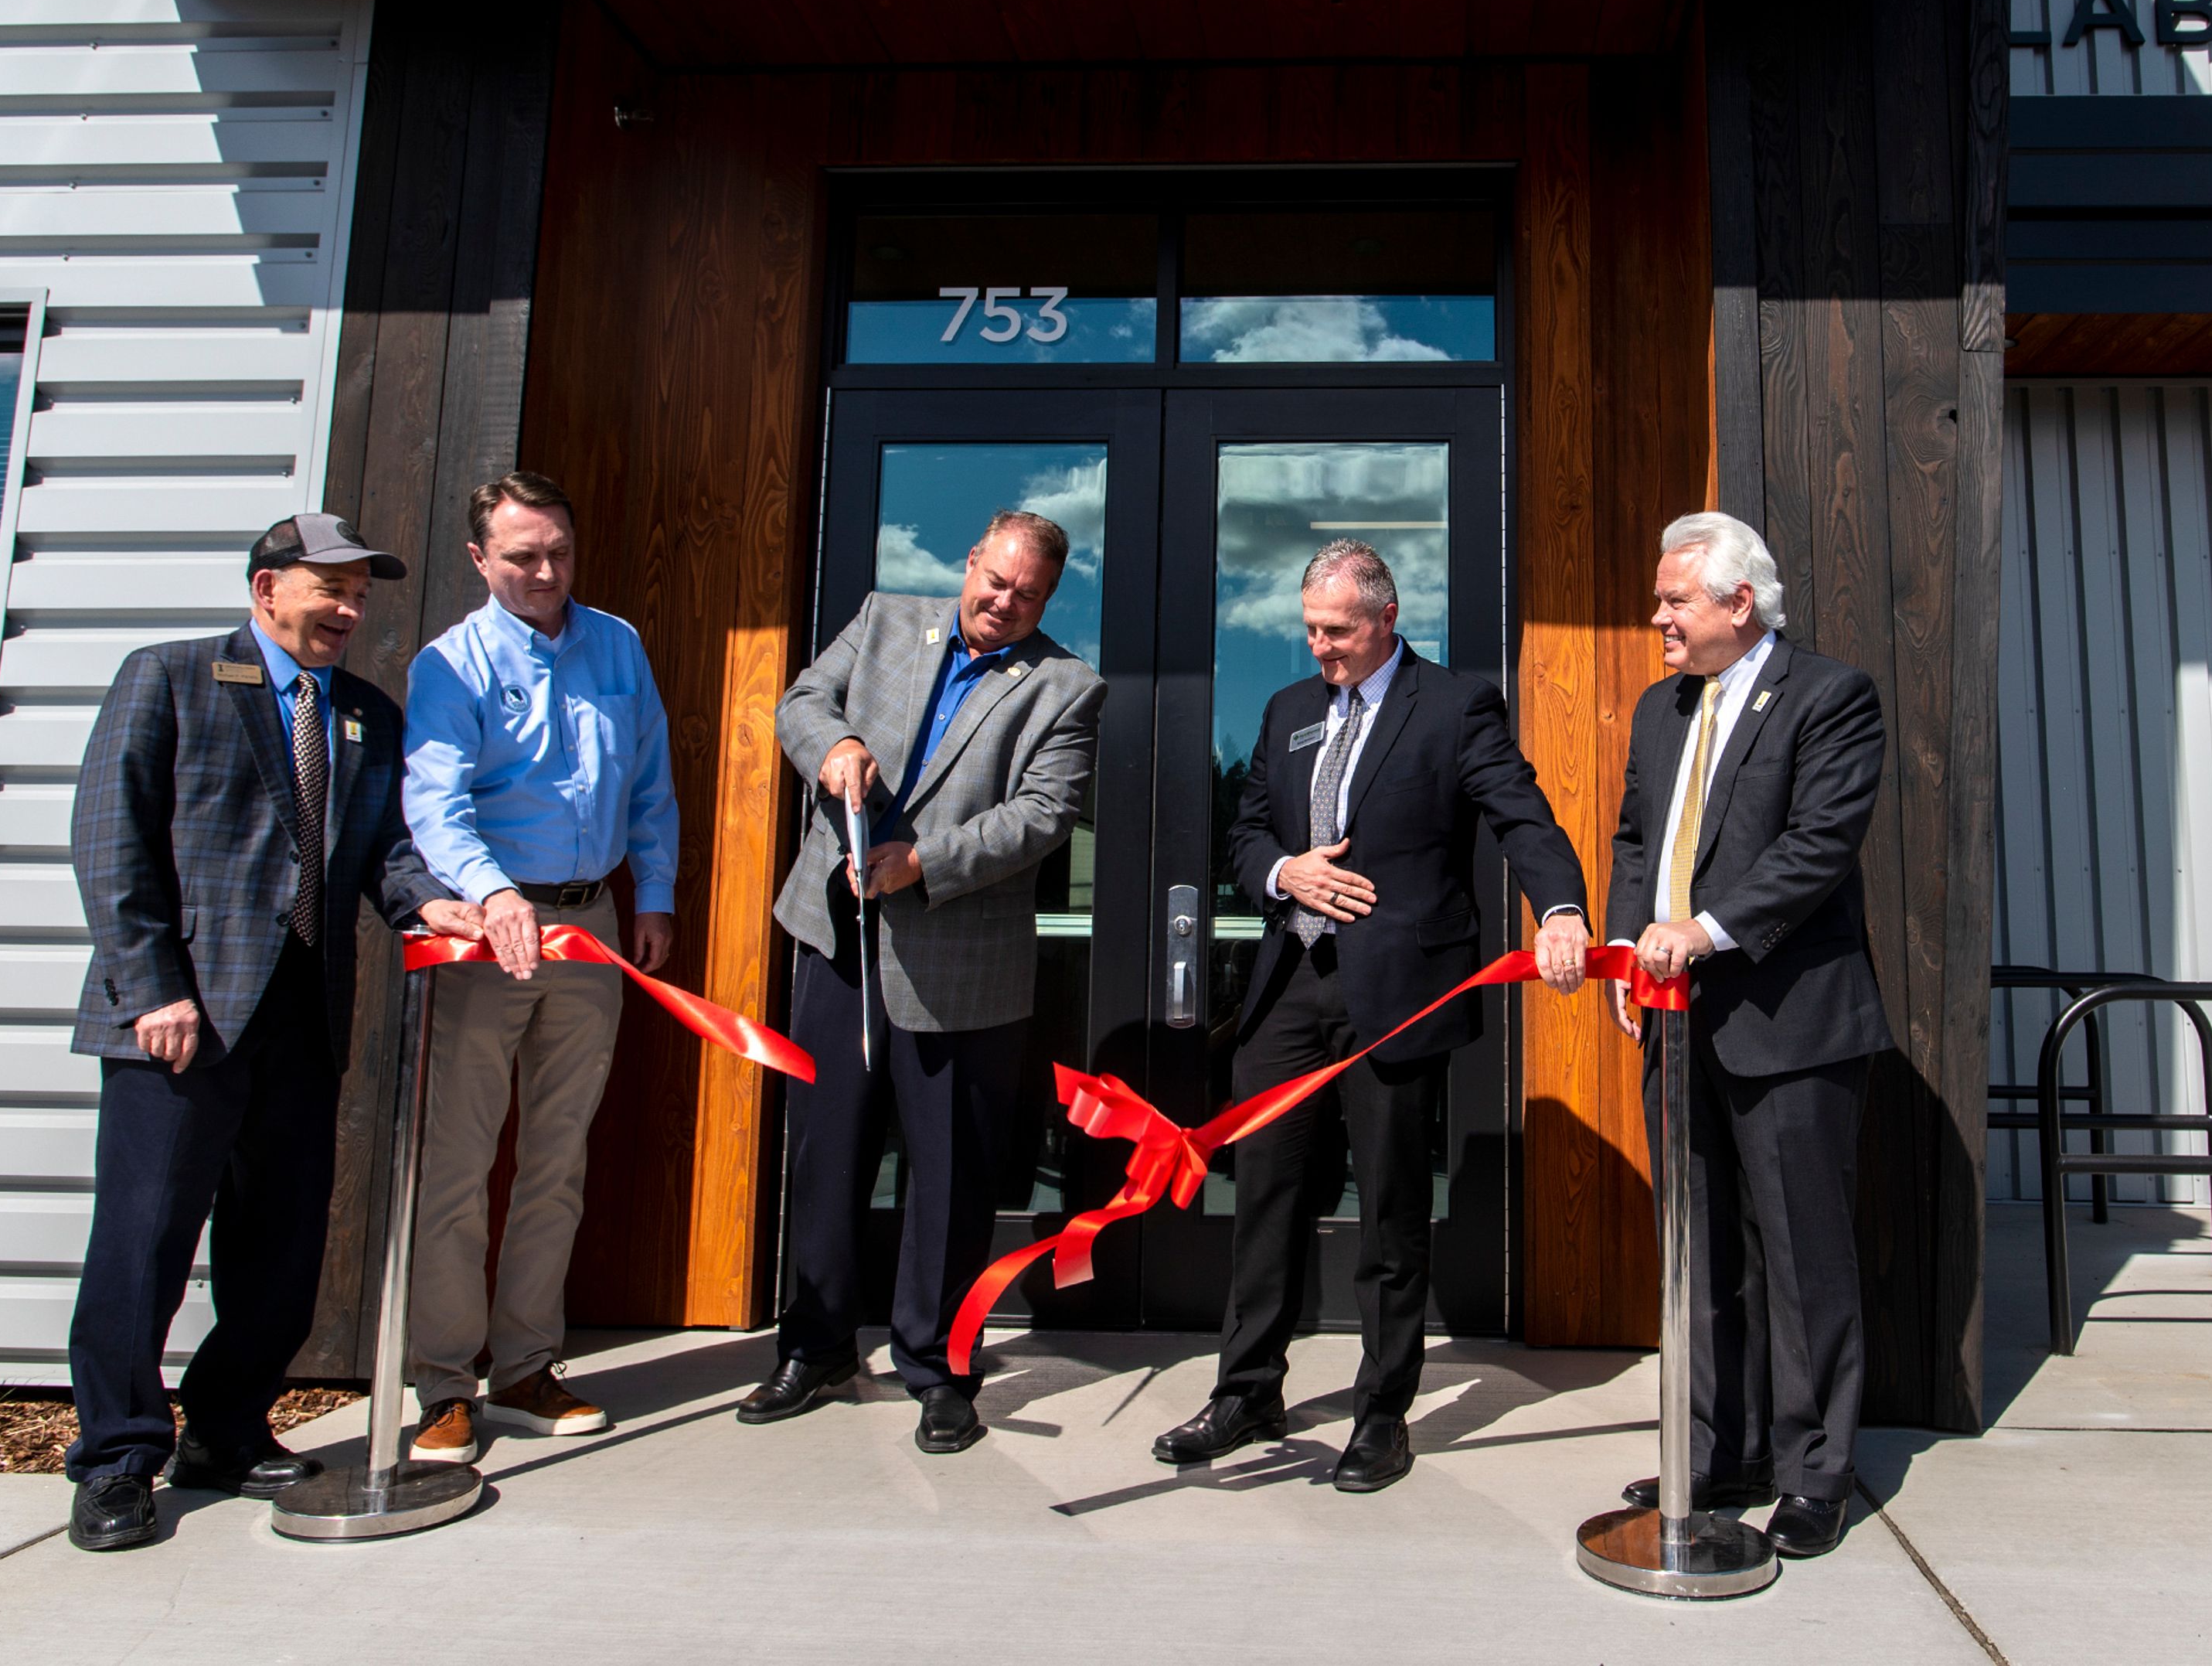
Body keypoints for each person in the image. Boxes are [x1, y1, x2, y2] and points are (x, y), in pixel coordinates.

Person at [61, 514, 483, 1553]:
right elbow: (110, 841)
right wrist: (152, 986)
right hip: (182, 1018)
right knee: (146, 1238)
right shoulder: (167, 677)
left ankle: (225, 1427)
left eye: (358, 594)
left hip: (304, 1015)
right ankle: (117, 1458)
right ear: (265, 589)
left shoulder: (364, 718)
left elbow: (386, 852)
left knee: (284, 1242)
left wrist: (434, 904)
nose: (346, 610)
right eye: (326, 588)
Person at [1153, 539, 1589, 1494]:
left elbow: (1521, 812)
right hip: (1288, 987)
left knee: (1390, 1204)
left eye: (1338, 630)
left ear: (1386, 619)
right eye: (1310, 629)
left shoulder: (1455, 705)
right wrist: (1283, 870)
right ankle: (1247, 1390)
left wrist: (1559, 907)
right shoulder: (1288, 711)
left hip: (1393, 993)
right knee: (1265, 1191)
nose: (1321, 648)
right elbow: (1247, 831)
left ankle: (1382, 1412)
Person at [737, 510, 1103, 1453]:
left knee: (950, 1178)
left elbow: (1044, 813)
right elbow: (800, 702)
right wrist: (833, 749)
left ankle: (939, 1365)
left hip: (960, 965)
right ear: (969, 559)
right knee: (826, 1154)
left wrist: (924, 861)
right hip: (838, 942)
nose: (1002, 600)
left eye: (1026, 593)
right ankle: (815, 1346)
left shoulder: (1065, 686)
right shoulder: (885, 619)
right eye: (994, 578)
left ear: (1047, 599)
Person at [1604, 511, 1890, 1559]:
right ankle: (1720, 1450)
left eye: (1675, 599)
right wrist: (1633, 941)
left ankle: (1817, 1471)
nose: (1658, 616)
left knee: (1802, 1254)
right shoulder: (1659, 708)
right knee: (1702, 1245)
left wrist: (1704, 932)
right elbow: (1638, 837)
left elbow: (1820, 842)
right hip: (1675, 1025)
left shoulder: (1829, 696)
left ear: (1739, 601)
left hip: (1789, 1023)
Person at [399, 471, 680, 1464]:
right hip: (490, 933)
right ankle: (442, 1381)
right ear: (481, 560)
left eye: (559, 550)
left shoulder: (617, 643)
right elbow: (436, 805)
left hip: (593, 927)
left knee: (558, 1157)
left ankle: (522, 1367)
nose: (546, 571)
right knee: (459, 1165)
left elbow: (649, 777)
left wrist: (654, 894)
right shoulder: (451, 664)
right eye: (523, 556)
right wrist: (492, 892)